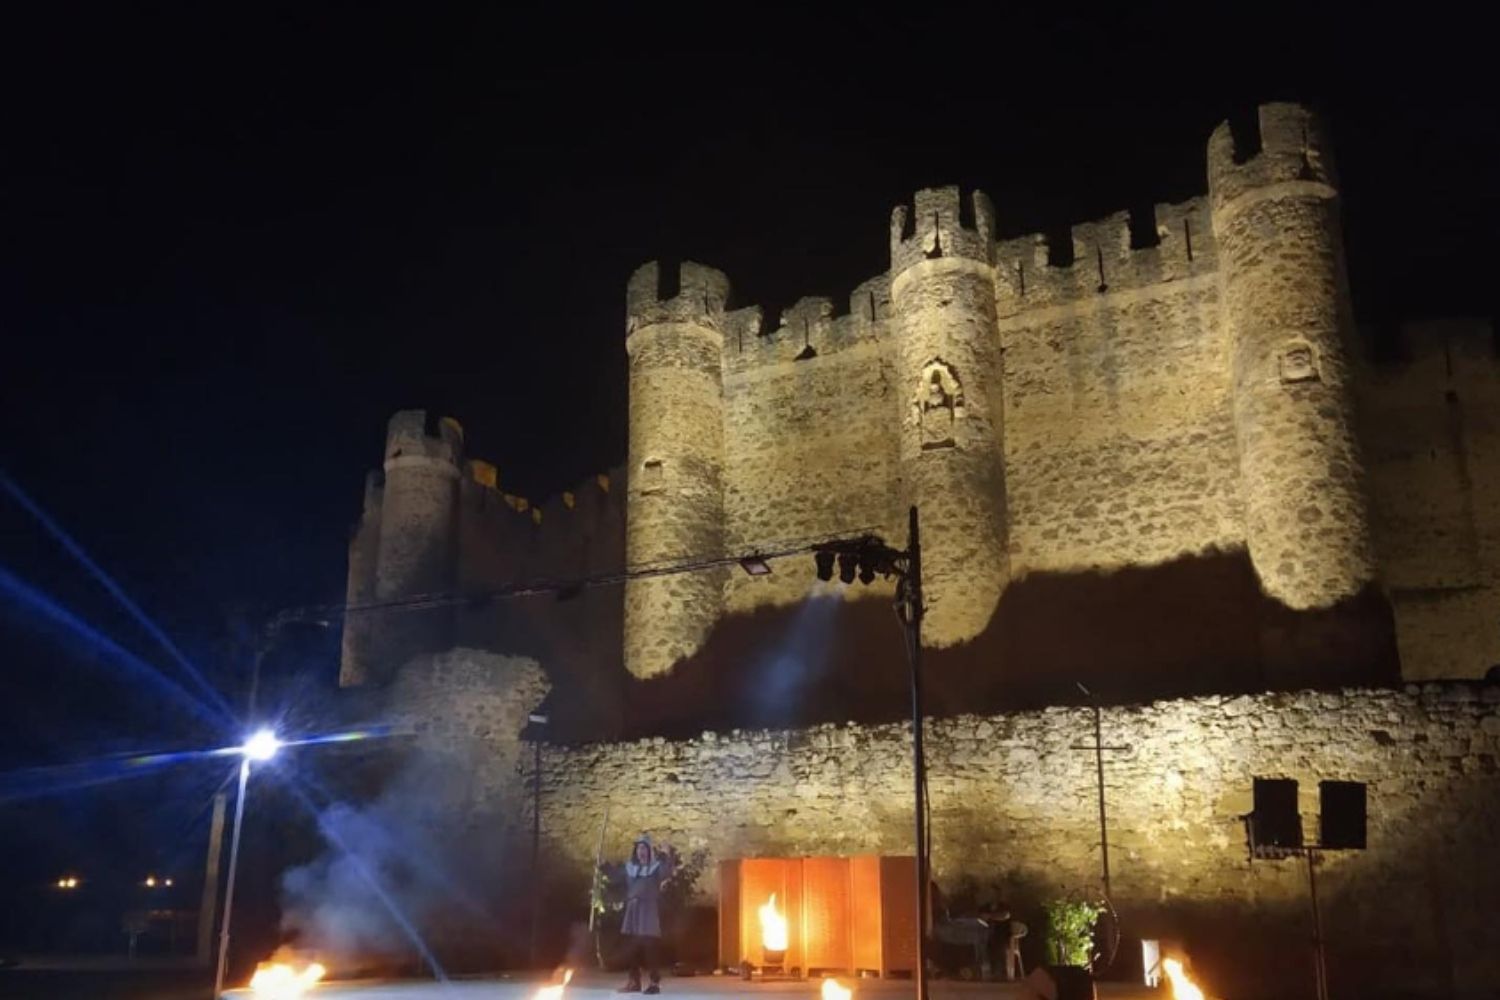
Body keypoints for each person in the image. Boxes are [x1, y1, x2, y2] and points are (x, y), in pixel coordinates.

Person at [614, 833, 674, 994]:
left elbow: (666, 872)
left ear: (649, 851)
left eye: (644, 848)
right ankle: (634, 981)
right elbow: (617, 878)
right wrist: (603, 867)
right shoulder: (630, 868)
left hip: (648, 909)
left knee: (650, 946)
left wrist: (666, 855)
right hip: (632, 910)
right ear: (636, 850)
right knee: (632, 947)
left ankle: (655, 983)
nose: (641, 851)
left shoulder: (655, 868)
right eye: (639, 848)